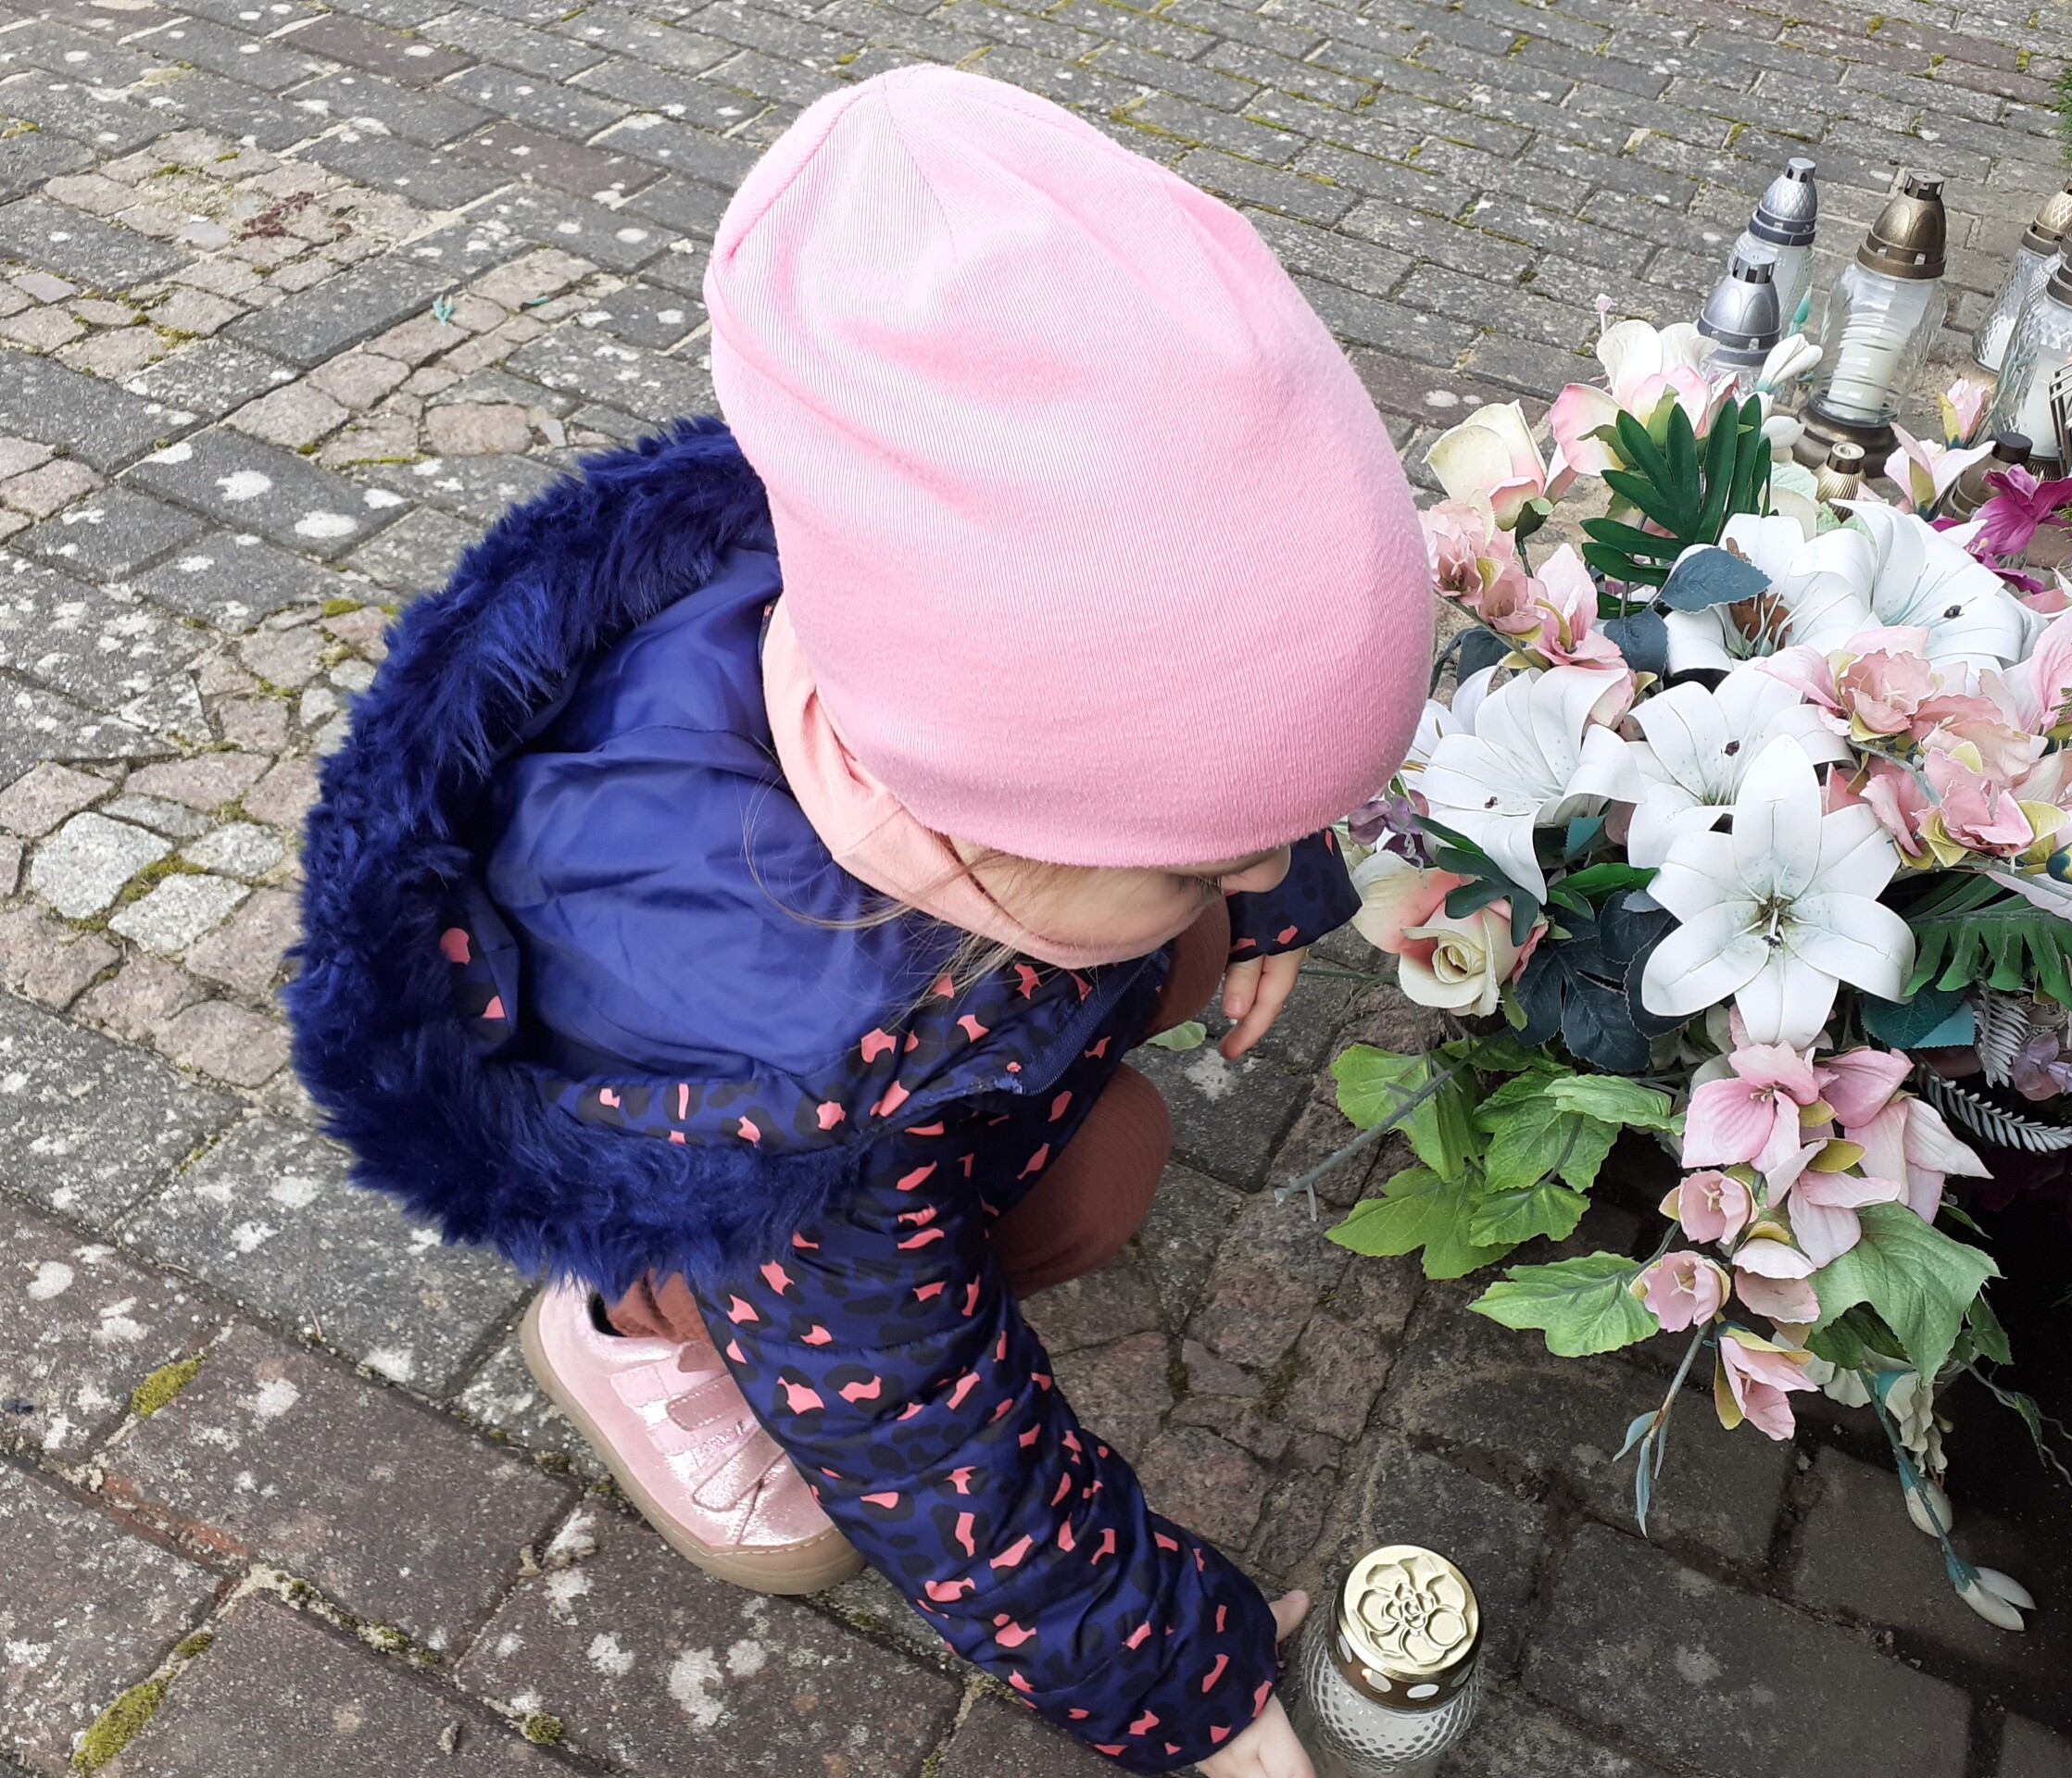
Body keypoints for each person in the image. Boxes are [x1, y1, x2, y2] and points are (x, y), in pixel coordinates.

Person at [287, 64, 1430, 1777]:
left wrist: (1272, 884)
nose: (1266, 875)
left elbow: (1222, 695)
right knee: (1018, 1262)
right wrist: (1193, 1687)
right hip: (736, 1166)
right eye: (1219, 854)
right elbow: (945, 1447)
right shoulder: (791, 1084)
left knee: (1141, 1043)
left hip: (957, 989)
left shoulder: (928, 634)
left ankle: (1023, 1076)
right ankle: (637, 1335)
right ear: (989, 809)